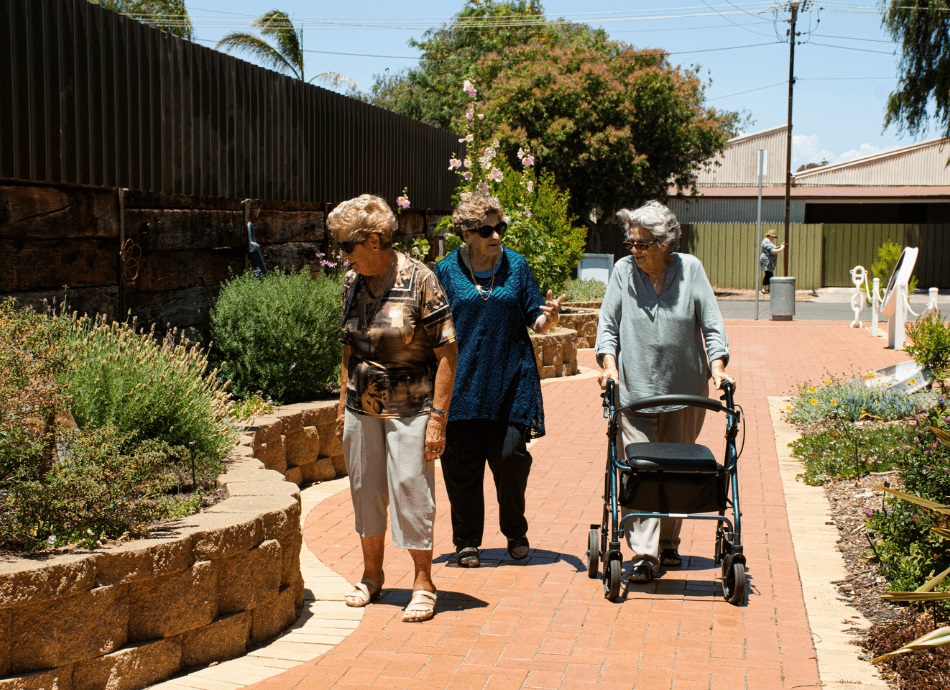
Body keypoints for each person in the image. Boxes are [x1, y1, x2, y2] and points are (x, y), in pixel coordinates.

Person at [329, 194, 458, 623]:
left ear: (375, 240)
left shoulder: (421, 280)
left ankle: (423, 582)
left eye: (347, 245)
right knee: (365, 490)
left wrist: (438, 419)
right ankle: (372, 576)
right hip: (360, 407)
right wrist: (341, 403)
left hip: (412, 408)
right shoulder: (352, 282)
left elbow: (447, 353)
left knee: (411, 489)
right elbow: (348, 347)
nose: (342, 255)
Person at [595, 200, 736, 584]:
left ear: (664, 243)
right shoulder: (623, 272)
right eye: (631, 243)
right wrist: (608, 366)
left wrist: (719, 368)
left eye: (642, 244)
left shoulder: (691, 269)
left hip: (685, 391)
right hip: (634, 390)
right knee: (640, 470)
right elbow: (608, 325)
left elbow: (712, 323)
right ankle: (644, 554)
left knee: (677, 469)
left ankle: (669, 543)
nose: (634, 250)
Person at [434, 192, 564, 568]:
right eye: (486, 230)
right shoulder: (445, 271)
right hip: (462, 384)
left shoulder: (516, 265)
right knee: (462, 464)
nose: (495, 235)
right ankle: (467, 541)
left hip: (511, 380)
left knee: (511, 458)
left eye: (500, 227)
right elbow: (432, 327)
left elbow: (535, 319)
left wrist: (550, 318)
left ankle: (515, 530)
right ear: (466, 234)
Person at [759, 229, 786, 295]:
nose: (773, 238)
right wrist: (781, 248)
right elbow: (772, 251)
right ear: (770, 236)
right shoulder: (766, 241)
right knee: (768, 274)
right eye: (773, 237)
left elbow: (773, 248)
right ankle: (763, 289)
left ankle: (769, 289)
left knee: (769, 274)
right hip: (767, 260)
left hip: (769, 261)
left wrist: (779, 247)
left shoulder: (768, 242)